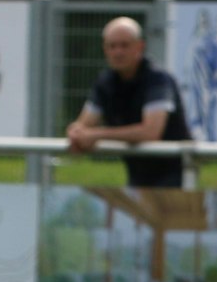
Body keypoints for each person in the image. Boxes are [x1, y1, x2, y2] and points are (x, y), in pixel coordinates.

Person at [64, 16, 192, 189]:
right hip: (137, 176)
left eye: (124, 45)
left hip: (175, 177)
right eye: (112, 46)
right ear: (105, 49)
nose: (118, 52)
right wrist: (76, 133)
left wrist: (96, 135)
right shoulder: (106, 82)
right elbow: (84, 125)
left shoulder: (157, 79)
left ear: (140, 46)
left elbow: (150, 132)